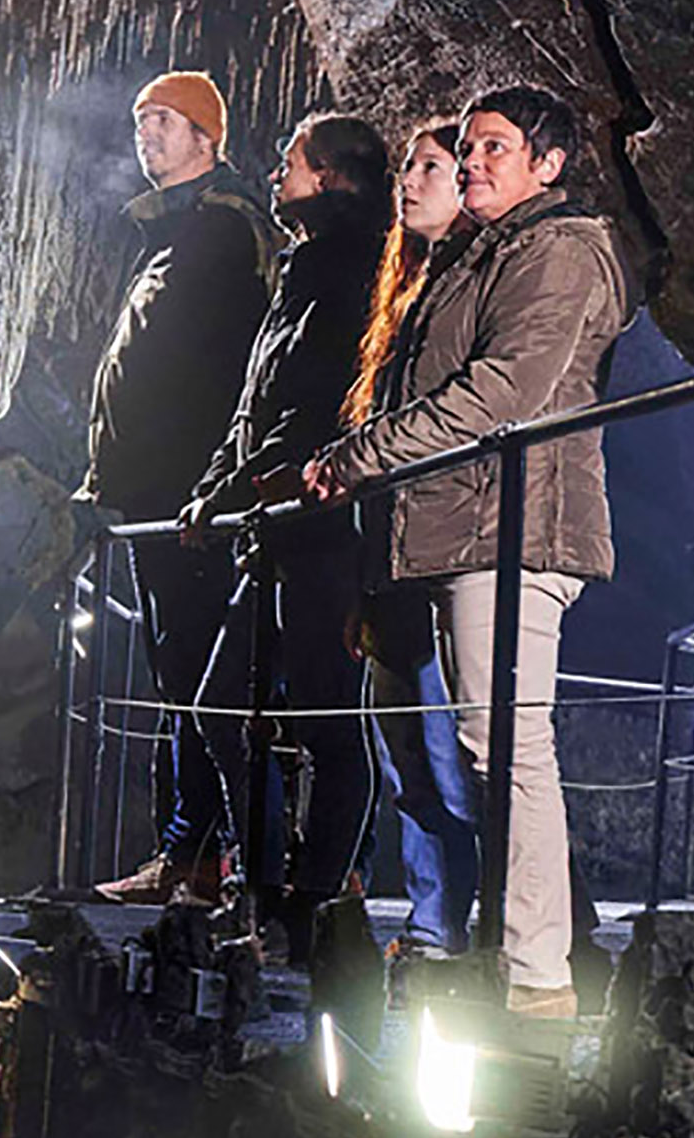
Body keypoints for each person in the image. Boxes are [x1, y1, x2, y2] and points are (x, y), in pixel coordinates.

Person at [307, 87, 632, 1019]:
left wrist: (360, 456)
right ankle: (515, 955)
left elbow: (504, 391)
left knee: (507, 748)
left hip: (516, 529)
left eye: (495, 147)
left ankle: (535, 973)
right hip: (465, 526)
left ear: (548, 163)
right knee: (484, 750)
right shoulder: (478, 254)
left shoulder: (560, 248)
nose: (472, 161)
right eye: (468, 148)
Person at [182, 115, 396, 962]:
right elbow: (256, 402)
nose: (276, 175)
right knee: (222, 707)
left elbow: (317, 398)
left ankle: (311, 902)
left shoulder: (350, 268)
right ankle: (268, 888)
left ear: (333, 178)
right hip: (272, 525)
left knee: (327, 721)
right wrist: (214, 489)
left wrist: (243, 486)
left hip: (321, 524)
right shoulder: (301, 268)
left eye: (291, 164)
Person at [76, 67, 272, 903]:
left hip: (190, 494)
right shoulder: (178, 230)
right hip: (162, 488)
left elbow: (200, 366)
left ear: (205, 136)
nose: (146, 134)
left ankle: (203, 854)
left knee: (196, 669)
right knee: (178, 671)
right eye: (140, 121)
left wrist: (200, 480)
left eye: (164, 120)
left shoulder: (220, 230)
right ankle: (191, 850)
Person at [357, 123, 484, 959]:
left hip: (449, 548)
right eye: (407, 165)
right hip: (391, 559)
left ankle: (536, 924)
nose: (408, 180)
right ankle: (433, 919)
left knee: (458, 761)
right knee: (408, 758)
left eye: (430, 167)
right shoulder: (405, 293)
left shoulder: (475, 281)